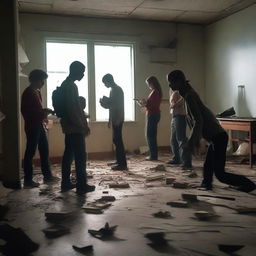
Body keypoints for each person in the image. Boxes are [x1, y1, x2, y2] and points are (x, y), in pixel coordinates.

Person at [167, 70, 256, 192]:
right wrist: (196, 140)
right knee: (208, 165)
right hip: (215, 137)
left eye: (171, 82)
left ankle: (249, 185)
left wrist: (192, 142)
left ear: (179, 81)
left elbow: (198, 121)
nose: (170, 85)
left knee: (220, 175)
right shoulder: (187, 95)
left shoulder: (189, 96)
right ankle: (206, 184)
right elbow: (197, 122)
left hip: (218, 137)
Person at [60, 61, 95, 194]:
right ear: (75, 71)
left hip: (68, 127)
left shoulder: (65, 84)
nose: (83, 74)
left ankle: (66, 183)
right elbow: (73, 109)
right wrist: (82, 126)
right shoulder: (71, 86)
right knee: (80, 157)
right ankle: (81, 185)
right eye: (82, 71)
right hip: (74, 128)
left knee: (68, 155)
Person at [21, 69, 56, 188]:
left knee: (44, 150)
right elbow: (27, 112)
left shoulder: (36, 92)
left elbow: (36, 110)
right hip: (32, 126)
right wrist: (43, 112)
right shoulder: (28, 93)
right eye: (42, 80)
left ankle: (47, 175)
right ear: (36, 79)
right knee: (30, 152)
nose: (43, 83)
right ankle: (28, 180)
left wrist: (43, 112)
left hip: (39, 125)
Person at [100, 73, 127, 170]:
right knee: (116, 140)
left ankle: (122, 164)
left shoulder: (117, 90)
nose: (105, 85)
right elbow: (111, 105)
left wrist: (118, 119)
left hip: (118, 118)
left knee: (118, 140)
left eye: (104, 83)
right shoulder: (113, 90)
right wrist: (109, 119)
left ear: (109, 80)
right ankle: (119, 161)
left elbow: (119, 105)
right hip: (115, 118)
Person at [138, 76, 162, 161]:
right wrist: (144, 103)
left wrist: (145, 104)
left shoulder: (155, 92)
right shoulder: (154, 92)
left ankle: (153, 156)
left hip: (153, 114)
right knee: (151, 135)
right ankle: (153, 155)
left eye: (148, 84)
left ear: (152, 83)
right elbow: (151, 104)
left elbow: (153, 105)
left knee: (150, 136)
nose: (148, 85)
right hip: (152, 114)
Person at [168, 89, 192, 170]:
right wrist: (172, 104)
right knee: (173, 139)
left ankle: (186, 162)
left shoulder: (180, 91)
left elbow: (183, 100)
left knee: (181, 139)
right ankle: (176, 159)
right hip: (174, 116)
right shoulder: (172, 91)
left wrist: (175, 104)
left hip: (180, 116)